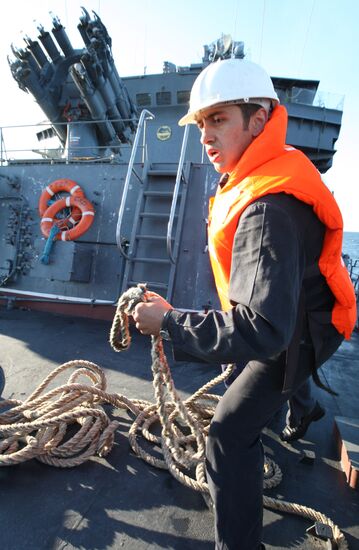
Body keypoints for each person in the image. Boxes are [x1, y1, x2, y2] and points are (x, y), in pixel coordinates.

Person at [132, 58, 357, 550]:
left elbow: (264, 330)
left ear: (258, 120)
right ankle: (305, 410)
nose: (206, 136)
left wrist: (168, 322)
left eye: (219, 120)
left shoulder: (266, 208)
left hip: (300, 330)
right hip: (303, 314)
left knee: (229, 433)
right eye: (202, 124)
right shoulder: (270, 173)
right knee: (250, 376)